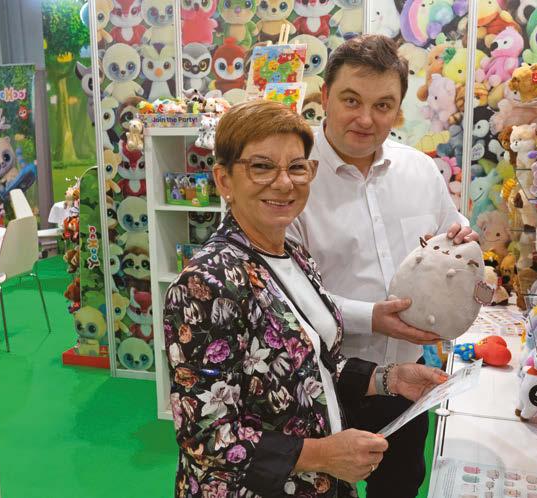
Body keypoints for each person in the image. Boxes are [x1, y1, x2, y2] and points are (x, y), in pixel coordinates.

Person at [163, 100, 448, 498]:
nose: (284, 183)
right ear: (224, 180)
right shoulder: (207, 283)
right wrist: (321, 454)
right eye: (261, 166)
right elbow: (205, 434)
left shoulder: (293, 256)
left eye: (297, 167)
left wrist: (389, 378)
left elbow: (312, 364)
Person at [288, 35, 478, 498]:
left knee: (399, 485)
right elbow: (286, 294)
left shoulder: (420, 171)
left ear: (398, 109)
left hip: (407, 383)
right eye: (351, 100)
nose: (366, 119)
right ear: (325, 96)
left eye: (383, 105)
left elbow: (452, 232)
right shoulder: (291, 180)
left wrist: (463, 245)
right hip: (321, 382)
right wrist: (370, 316)